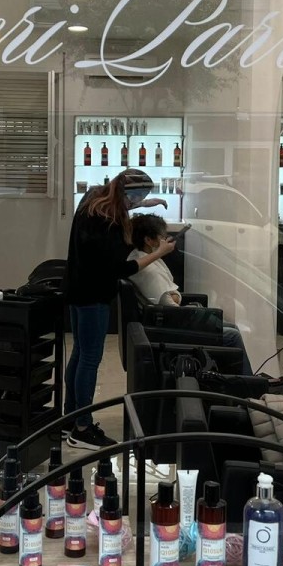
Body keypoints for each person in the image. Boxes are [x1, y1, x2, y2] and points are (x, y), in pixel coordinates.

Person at [63, 169, 172, 450]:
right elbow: (120, 268)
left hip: (76, 288)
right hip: (94, 295)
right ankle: (82, 428)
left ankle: (68, 419)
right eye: (138, 197)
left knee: (79, 353)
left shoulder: (92, 200)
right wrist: (157, 254)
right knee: (89, 359)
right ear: (126, 194)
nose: (137, 202)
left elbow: (117, 201)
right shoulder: (109, 222)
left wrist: (144, 204)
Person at [128, 214, 254, 376]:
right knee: (233, 335)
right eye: (162, 237)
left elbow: (171, 296)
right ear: (148, 240)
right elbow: (169, 303)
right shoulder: (149, 270)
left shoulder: (138, 256)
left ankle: (242, 380)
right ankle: (248, 383)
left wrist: (177, 297)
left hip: (165, 319)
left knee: (232, 327)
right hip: (169, 326)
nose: (166, 240)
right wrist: (183, 304)